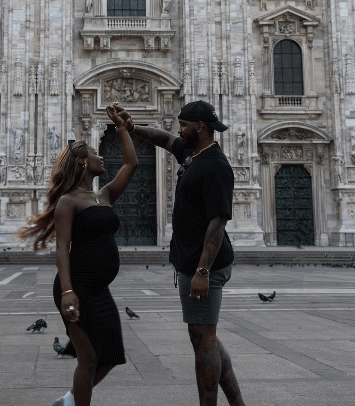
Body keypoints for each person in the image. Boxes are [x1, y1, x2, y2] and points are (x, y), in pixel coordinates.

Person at [124, 100, 246, 406]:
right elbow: (163, 140)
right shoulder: (192, 153)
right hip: (190, 262)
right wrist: (130, 127)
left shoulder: (215, 165)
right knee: (207, 337)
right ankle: (237, 402)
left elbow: (218, 222)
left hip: (205, 266)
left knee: (204, 340)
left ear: (200, 127)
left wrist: (202, 272)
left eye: (183, 125)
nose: (178, 130)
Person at [18, 102, 140, 406]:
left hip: (99, 289)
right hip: (77, 287)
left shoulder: (104, 195)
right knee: (88, 358)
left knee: (111, 355)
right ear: (83, 163)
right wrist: (68, 292)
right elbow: (62, 247)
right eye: (96, 153)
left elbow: (131, 164)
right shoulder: (68, 202)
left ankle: (69, 401)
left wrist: (122, 129)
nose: (102, 156)